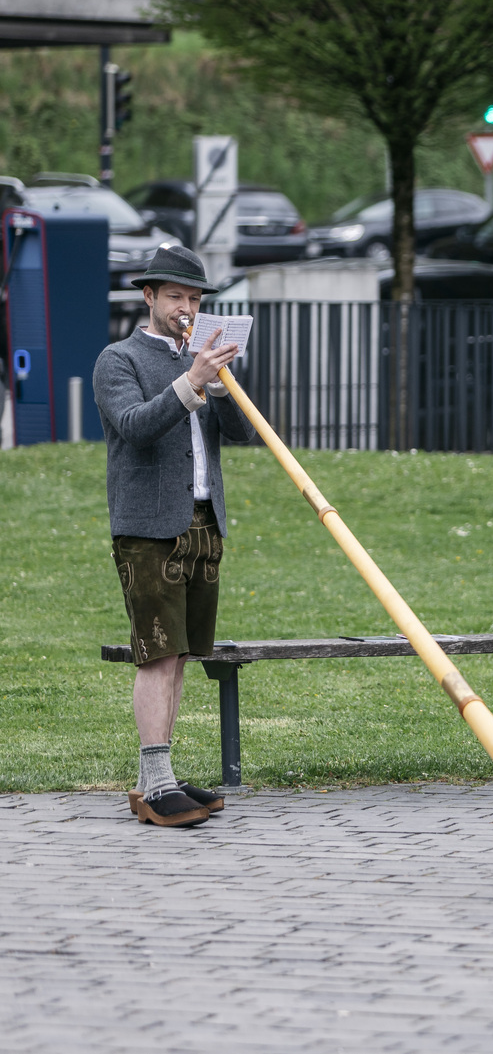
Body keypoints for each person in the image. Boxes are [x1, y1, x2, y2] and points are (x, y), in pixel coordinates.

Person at [93, 244, 249, 828]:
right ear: (149, 297)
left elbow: (239, 433)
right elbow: (135, 427)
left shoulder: (205, 357)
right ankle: (156, 778)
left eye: (194, 297)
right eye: (176, 296)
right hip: (147, 525)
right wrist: (192, 381)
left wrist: (226, 379)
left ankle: (153, 779)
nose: (186, 307)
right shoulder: (119, 359)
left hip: (205, 518)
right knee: (157, 653)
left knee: (181, 652)